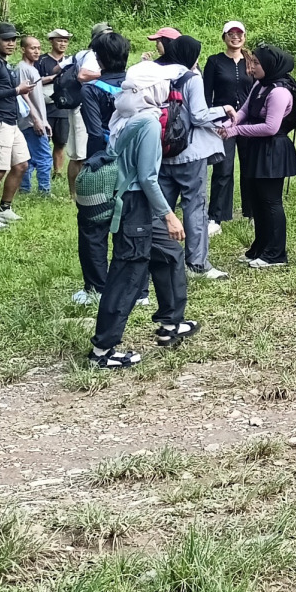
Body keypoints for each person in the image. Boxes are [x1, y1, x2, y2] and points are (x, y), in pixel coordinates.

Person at [87, 61, 196, 369]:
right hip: (136, 206)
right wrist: (169, 215)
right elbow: (147, 177)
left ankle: (170, 323)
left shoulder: (124, 115)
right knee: (128, 276)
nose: (168, 89)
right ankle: (102, 351)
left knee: (170, 253)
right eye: (163, 84)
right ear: (150, 90)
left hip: (135, 204)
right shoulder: (147, 122)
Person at [156, 34, 230, 280]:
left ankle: (159, 259)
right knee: (194, 206)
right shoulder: (191, 78)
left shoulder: (158, 74)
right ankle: (197, 264)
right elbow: (198, 115)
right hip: (189, 152)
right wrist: (224, 110)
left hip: (162, 151)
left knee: (161, 208)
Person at [221, 44, 296, 268]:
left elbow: (270, 127)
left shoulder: (279, 91)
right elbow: (245, 111)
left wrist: (236, 131)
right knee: (256, 200)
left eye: (256, 63)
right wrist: (228, 124)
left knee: (270, 201)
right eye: (252, 62)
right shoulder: (260, 85)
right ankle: (260, 247)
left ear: (269, 65)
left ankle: (276, 253)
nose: (252, 67)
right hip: (258, 148)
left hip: (273, 149)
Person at [72, 32, 128, 305]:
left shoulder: (92, 89)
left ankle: (96, 287)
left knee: (93, 224)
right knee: (129, 222)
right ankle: (131, 285)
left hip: (103, 162)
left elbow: (96, 132)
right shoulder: (137, 84)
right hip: (136, 161)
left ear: (99, 58)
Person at [0, 22, 36, 230]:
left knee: (21, 165)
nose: (11, 43)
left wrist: (19, 90)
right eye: (6, 39)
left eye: (13, 39)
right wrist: (16, 91)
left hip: (10, 122)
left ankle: (5, 208)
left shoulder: (2, 62)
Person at [203, 21, 253, 236]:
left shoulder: (251, 61)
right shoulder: (214, 61)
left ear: (244, 36)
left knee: (251, 167)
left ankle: (253, 212)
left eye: (239, 33)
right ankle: (216, 216)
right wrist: (208, 119)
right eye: (231, 34)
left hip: (249, 121)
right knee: (223, 169)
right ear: (224, 37)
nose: (235, 37)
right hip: (223, 122)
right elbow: (206, 94)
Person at [67, 21, 113, 197]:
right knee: (79, 153)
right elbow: (82, 75)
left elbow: (60, 67)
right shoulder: (92, 55)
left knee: (84, 151)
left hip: (90, 104)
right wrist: (105, 75)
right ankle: (75, 194)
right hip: (83, 105)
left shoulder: (83, 54)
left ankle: (83, 190)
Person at [18, 37, 54, 197]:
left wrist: (44, 120)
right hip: (31, 122)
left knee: (30, 157)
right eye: (32, 48)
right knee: (45, 158)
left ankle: (24, 190)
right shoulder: (22, 68)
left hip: (38, 120)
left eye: (39, 48)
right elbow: (23, 96)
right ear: (23, 50)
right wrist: (37, 120)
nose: (37, 51)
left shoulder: (33, 68)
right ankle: (44, 192)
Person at [40, 30, 73, 181]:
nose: (63, 44)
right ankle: (43, 171)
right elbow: (34, 81)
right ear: (51, 41)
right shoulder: (41, 60)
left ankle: (58, 172)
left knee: (61, 142)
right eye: (59, 40)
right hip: (46, 107)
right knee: (43, 141)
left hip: (64, 108)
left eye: (65, 41)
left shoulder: (71, 61)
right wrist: (54, 77)